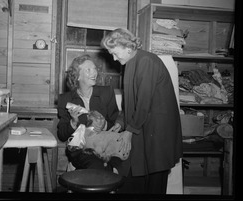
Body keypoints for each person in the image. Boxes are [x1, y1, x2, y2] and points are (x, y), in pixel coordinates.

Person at [101, 28, 183, 194]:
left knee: (154, 181)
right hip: (143, 127)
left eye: (115, 53)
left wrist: (129, 131)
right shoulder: (130, 64)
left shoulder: (146, 61)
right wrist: (120, 122)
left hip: (157, 132)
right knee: (135, 176)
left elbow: (144, 102)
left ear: (128, 48)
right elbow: (129, 101)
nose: (114, 58)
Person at [57, 54, 124, 173]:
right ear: (77, 76)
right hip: (81, 150)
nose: (94, 73)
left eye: (94, 69)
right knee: (98, 167)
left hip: (105, 146)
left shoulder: (106, 93)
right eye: (88, 70)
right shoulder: (65, 99)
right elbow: (61, 135)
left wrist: (104, 125)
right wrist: (73, 122)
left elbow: (116, 121)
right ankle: (109, 171)